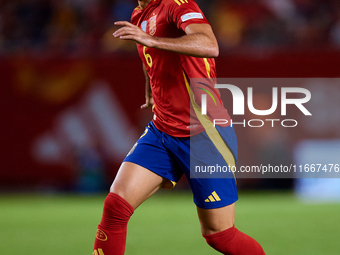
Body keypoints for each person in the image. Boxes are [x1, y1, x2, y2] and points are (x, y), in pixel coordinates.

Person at [93, 0, 266, 254]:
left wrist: (151, 40)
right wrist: (150, 89)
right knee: (116, 208)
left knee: (220, 235)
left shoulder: (178, 5)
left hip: (205, 134)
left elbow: (210, 45)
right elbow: (148, 54)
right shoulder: (140, 12)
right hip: (162, 131)